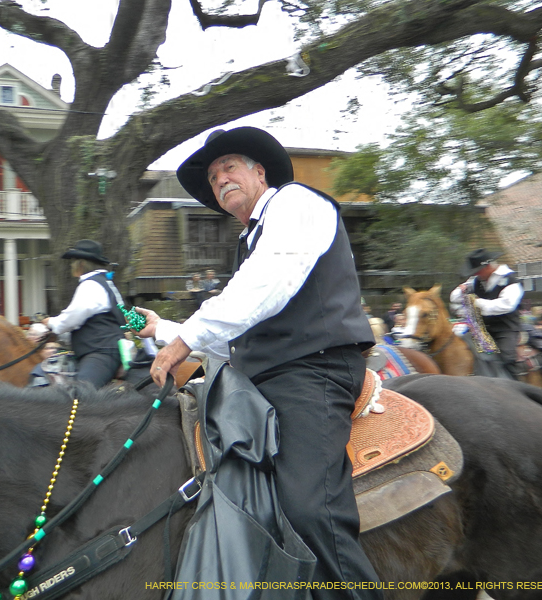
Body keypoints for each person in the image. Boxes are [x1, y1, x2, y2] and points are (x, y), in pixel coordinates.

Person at [135, 126, 380, 597]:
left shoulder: (295, 204)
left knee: (309, 509)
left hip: (314, 371)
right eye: (212, 176)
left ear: (258, 171)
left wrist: (184, 339)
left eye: (228, 166)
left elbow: (264, 289)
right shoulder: (251, 240)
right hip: (262, 378)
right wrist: (164, 329)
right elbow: (238, 337)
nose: (219, 179)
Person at [41, 240, 126, 389]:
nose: (71, 265)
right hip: (105, 348)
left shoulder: (90, 285)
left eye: (73, 261)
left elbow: (72, 318)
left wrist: (50, 323)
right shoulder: (104, 282)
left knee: (80, 394)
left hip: (101, 353)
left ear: (81, 264)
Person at [449, 248, 524, 379]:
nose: (476, 274)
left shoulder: (511, 280)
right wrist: (461, 291)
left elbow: (506, 305)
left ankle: (515, 386)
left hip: (505, 328)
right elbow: (454, 297)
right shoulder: (476, 280)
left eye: (478, 271)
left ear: (488, 266)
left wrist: (475, 303)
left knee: (507, 356)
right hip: (481, 330)